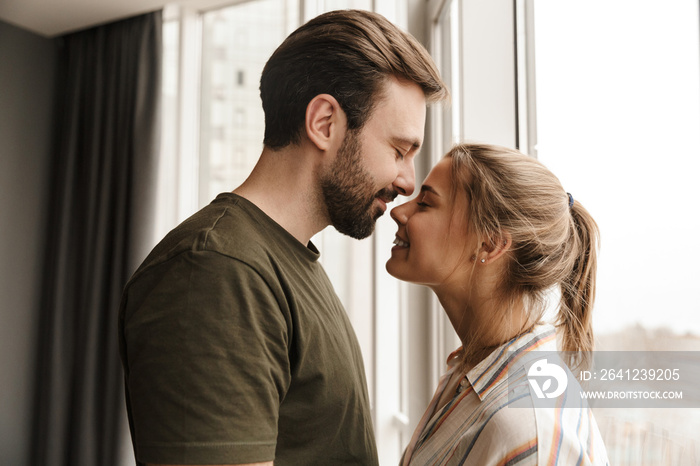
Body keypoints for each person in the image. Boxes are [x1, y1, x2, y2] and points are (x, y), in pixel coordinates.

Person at [118, 9, 447, 466]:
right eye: (399, 150)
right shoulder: (216, 271)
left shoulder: (285, 262)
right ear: (325, 123)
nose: (408, 181)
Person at [386, 143, 609, 465]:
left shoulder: (528, 428)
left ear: (490, 244)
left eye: (425, 203)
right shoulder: (469, 374)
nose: (399, 211)